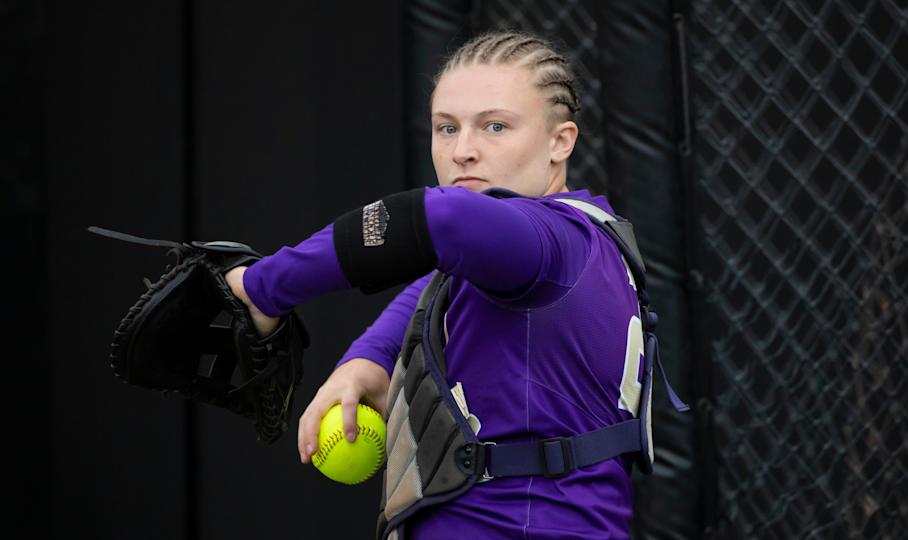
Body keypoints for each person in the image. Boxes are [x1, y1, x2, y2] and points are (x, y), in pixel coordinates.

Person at [226, 30, 648, 539]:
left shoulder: (548, 240)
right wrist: (368, 361)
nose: (463, 151)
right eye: (446, 129)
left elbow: (441, 220)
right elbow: (438, 282)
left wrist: (263, 287)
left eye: (495, 126)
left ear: (561, 141)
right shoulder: (566, 240)